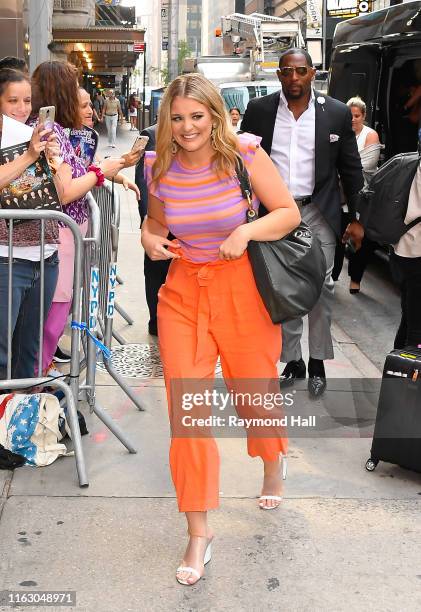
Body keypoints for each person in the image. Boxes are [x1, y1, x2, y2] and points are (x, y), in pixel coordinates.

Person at [141, 73, 300, 585]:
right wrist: (149, 241)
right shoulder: (157, 164)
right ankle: (199, 531)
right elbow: (156, 225)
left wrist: (244, 231)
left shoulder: (245, 156)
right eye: (178, 117)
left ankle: (272, 460)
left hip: (241, 290)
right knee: (186, 415)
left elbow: (287, 213)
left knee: (255, 393)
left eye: (197, 116)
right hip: (183, 293)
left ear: (215, 115)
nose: (187, 127)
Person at [241, 48, 365, 398]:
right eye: (286, 72)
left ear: (313, 72)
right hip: (274, 213)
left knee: (321, 286)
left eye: (300, 71)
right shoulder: (259, 111)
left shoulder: (337, 113)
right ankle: (292, 360)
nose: (293, 78)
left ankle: (318, 361)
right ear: (278, 75)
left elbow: (351, 168)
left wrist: (355, 218)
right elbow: (242, 164)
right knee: (283, 286)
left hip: (318, 210)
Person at [30, 61, 125, 375]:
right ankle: (36, 386)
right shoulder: (47, 131)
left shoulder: (50, 128)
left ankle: (39, 379)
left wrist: (110, 174)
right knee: (52, 319)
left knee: (52, 317)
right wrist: (101, 173)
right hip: (59, 235)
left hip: (62, 235)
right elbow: (65, 191)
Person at [0, 68, 59, 379]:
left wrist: (53, 160)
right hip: (7, 258)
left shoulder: (34, 135)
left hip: (46, 255)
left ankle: (21, 420)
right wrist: (27, 156)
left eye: (27, 101)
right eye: (13, 100)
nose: (22, 108)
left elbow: (59, 193)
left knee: (28, 351)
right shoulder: (20, 142)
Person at [333, 96, 384, 293]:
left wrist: (341, 165)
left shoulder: (370, 135)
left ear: (364, 116)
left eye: (357, 115)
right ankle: (333, 276)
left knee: (360, 239)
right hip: (339, 197)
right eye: (350, 115)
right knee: (337, 237)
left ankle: (355, 279)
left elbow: (365, 166)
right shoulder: (339, 132)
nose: (353, 119)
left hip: (362, 197)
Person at [135, 124, 171, 336]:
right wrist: (147, 225)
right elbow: (143, 183)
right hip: (160, 222)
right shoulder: (151, 135)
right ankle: (156, 322)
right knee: (157, 275)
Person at [391, 163, 421, 349]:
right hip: (416, 250)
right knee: (415, 332)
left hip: (409, 247)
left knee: (410, 322)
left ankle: (397, 372)